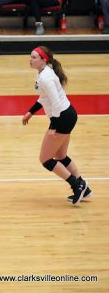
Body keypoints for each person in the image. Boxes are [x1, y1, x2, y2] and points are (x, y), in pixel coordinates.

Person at [22, 46, 92, 205]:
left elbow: (55, 103)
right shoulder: (45, 72)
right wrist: (31, 112)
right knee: (61, 156)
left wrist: (53, 126)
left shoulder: (45, 77)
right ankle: (84, 188)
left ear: (43, 60)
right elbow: (44, 97)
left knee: (45, 159)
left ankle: (77, 186)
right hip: (68, 115)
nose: (30, 60)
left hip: (62, 117)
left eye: (33, 57)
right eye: (30, 57)